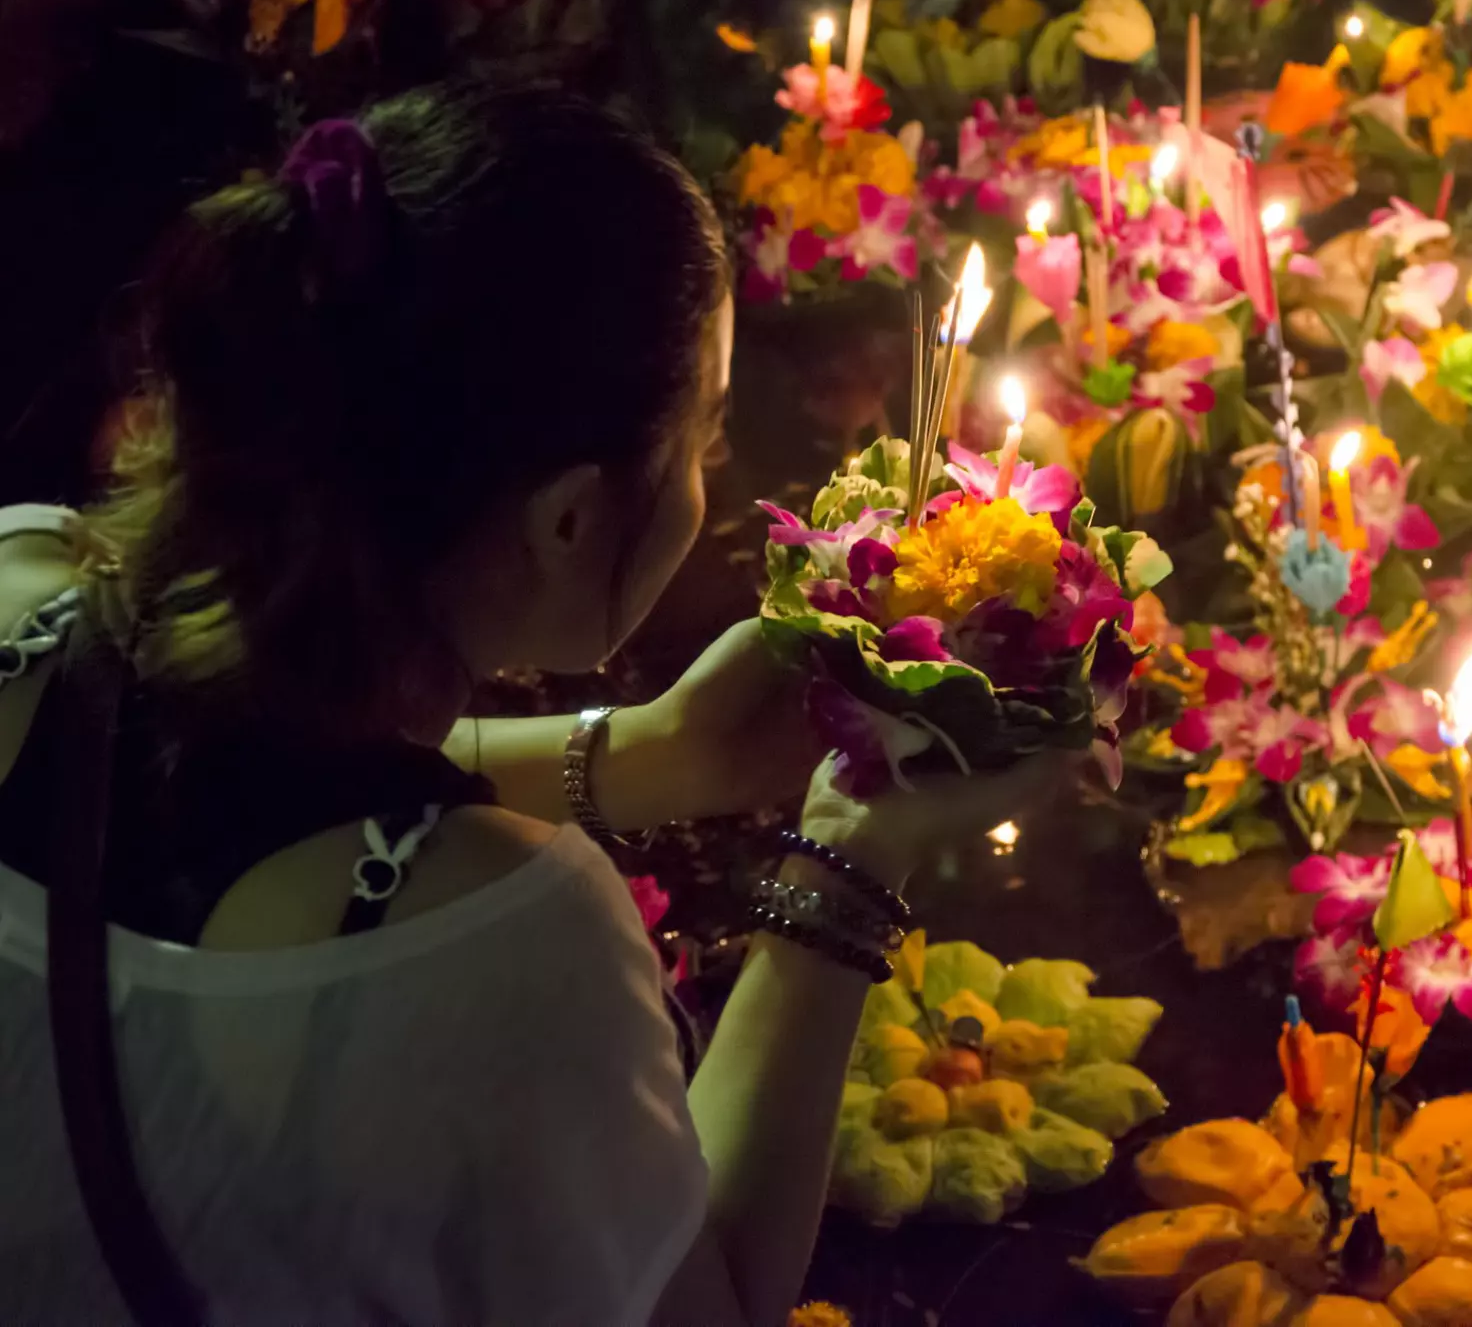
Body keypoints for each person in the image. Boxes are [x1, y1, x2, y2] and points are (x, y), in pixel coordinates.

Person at [0, 82, 1051, 1326]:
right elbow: (698, 1294)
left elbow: (246, 792)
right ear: (566, 518)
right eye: (703, 439)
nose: (710, 476)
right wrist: (847, 865)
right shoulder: (510, 952)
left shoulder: (31, 586)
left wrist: (645, 755)